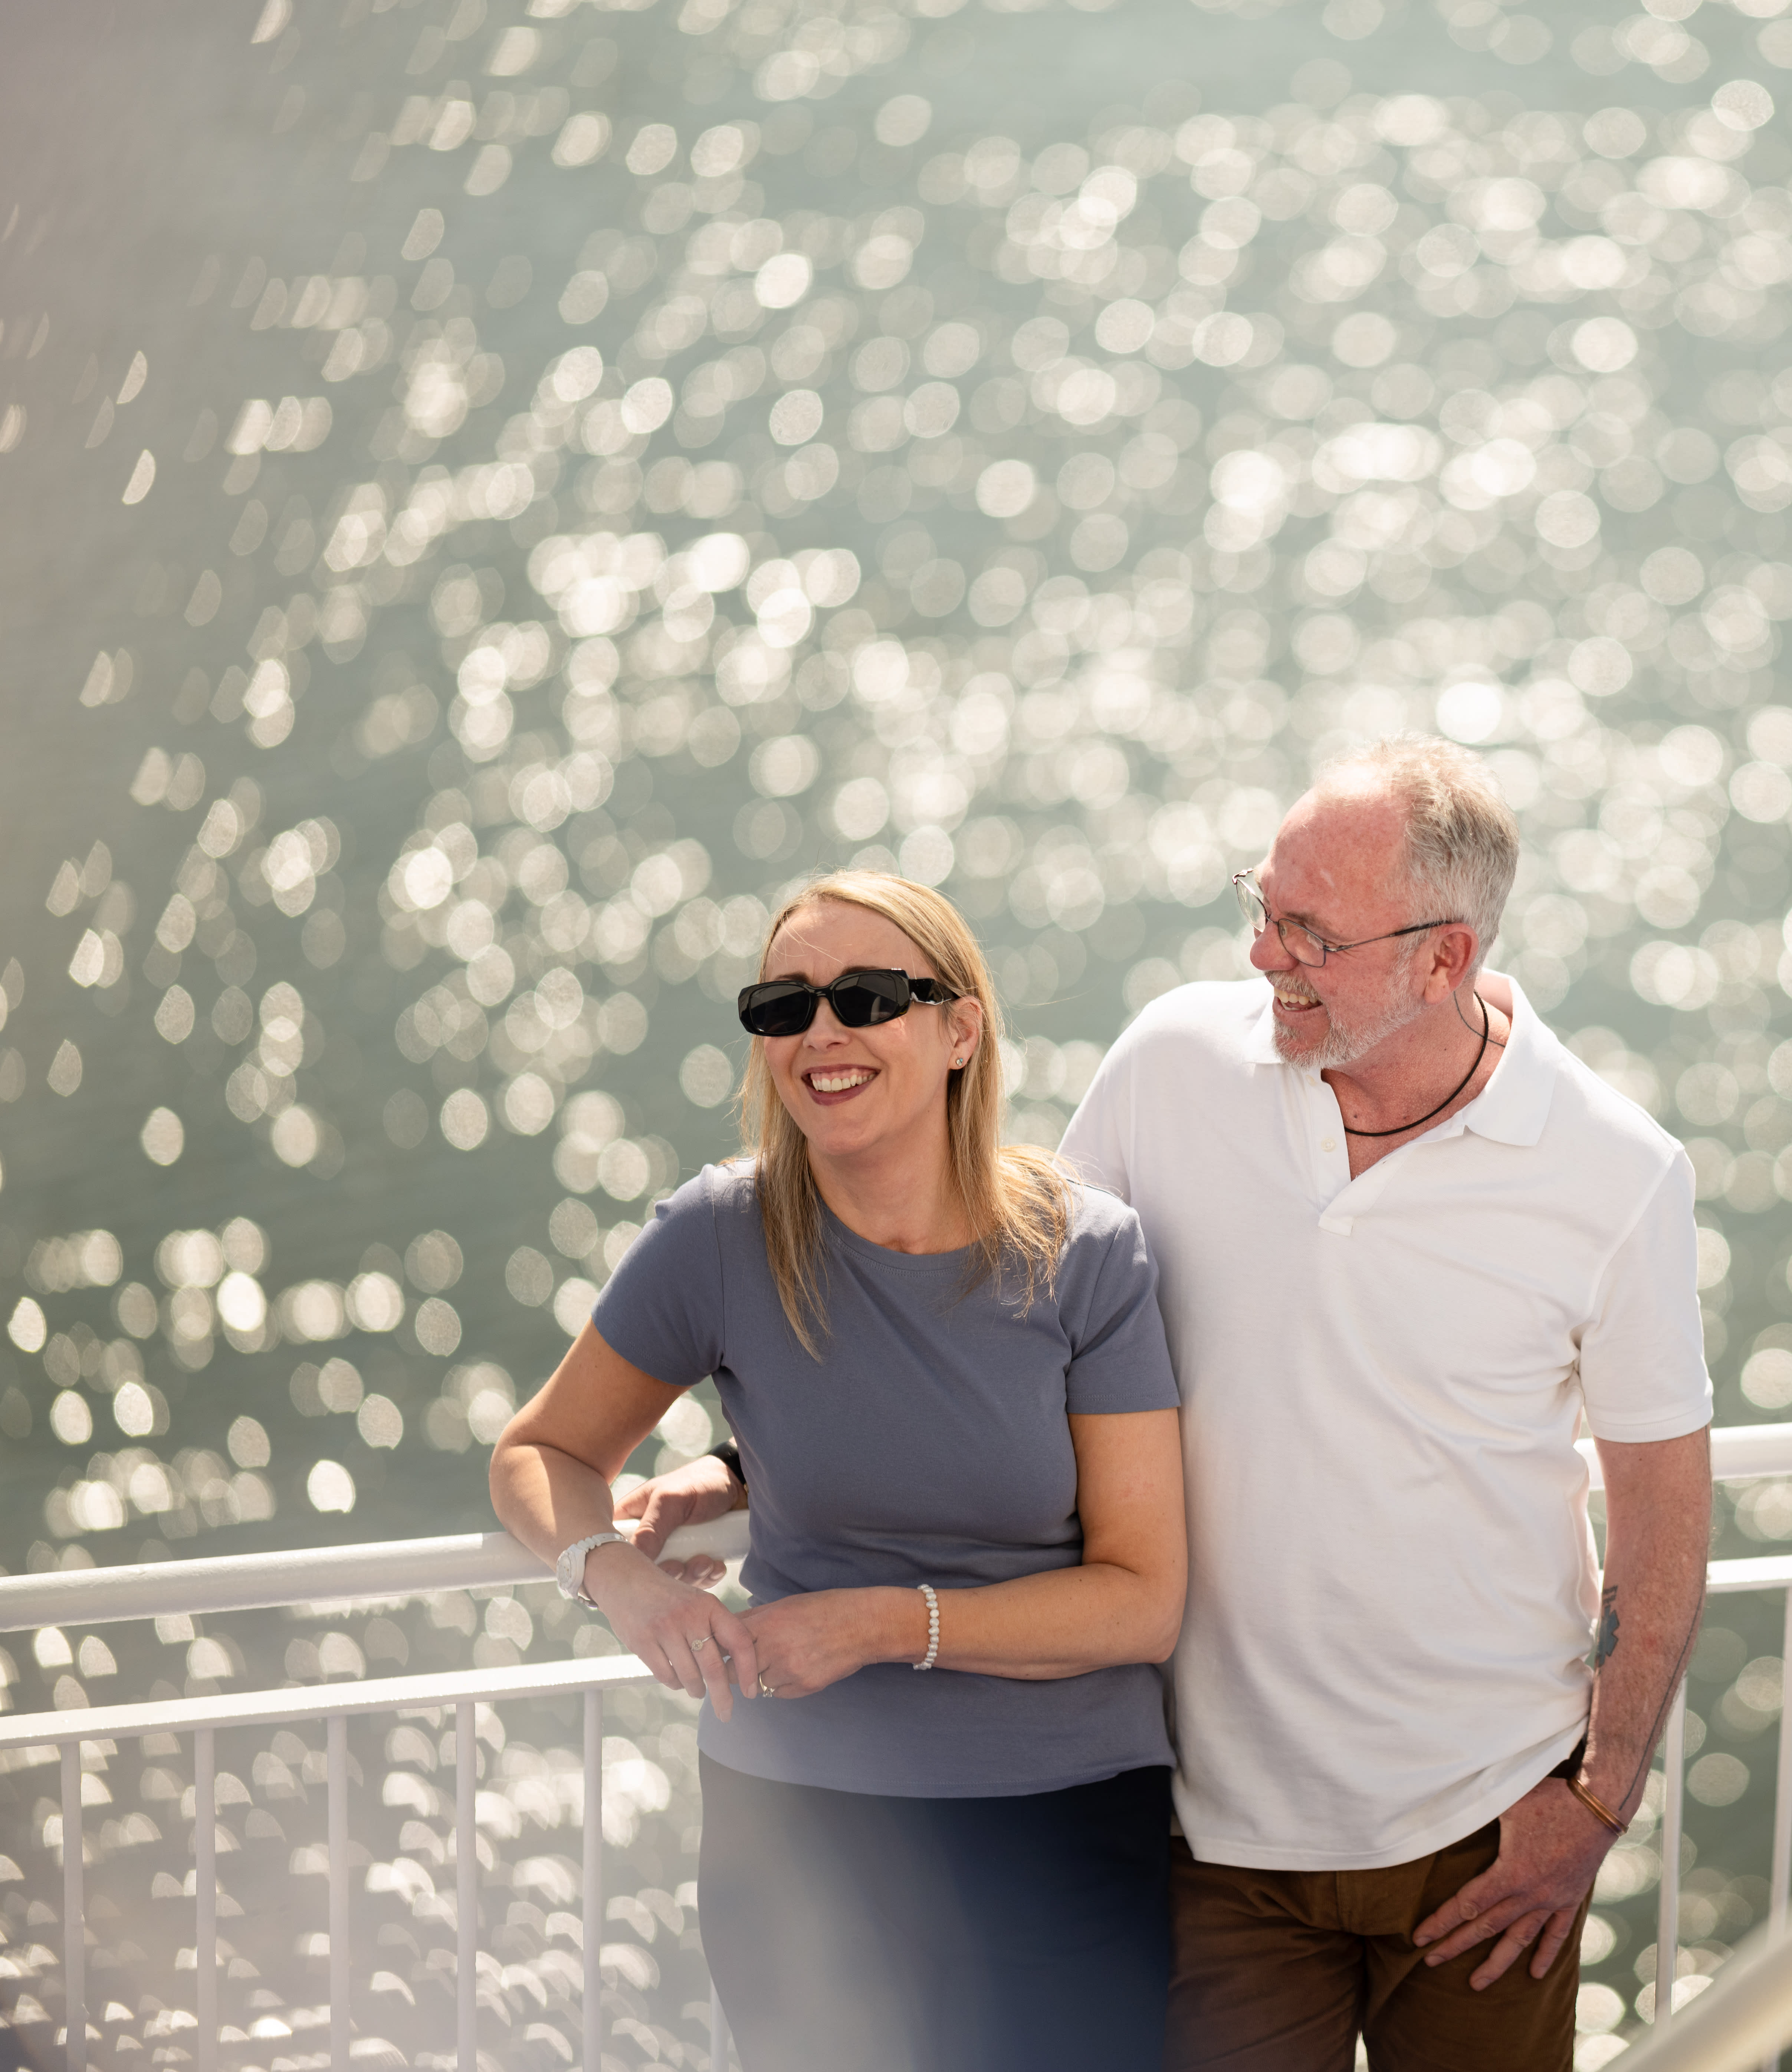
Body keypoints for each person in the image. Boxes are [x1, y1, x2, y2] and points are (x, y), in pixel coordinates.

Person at [632, 740, 1714, 2072]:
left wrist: (1596, 1806)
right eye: (1262, 907)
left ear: (1445, 959)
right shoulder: (1173, 1063)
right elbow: (1001, 1324)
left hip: (1485, 1835)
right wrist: (744, 1472)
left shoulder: (1616, 1173)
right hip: (1213, 1833)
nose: (1267, 955)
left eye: (1311, 933)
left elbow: (1665, 1523)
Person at [490, 870, 1187, 2072]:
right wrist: (617, 1575)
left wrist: (878, 1626)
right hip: (799, 1836)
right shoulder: (718, 1236)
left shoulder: (1087, 1254)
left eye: (867, 997)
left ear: (960, 1028)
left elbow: (1142, 1597)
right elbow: (540, 1453)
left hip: (1064, 1825)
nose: (822, 1034)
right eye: (783, 1007)